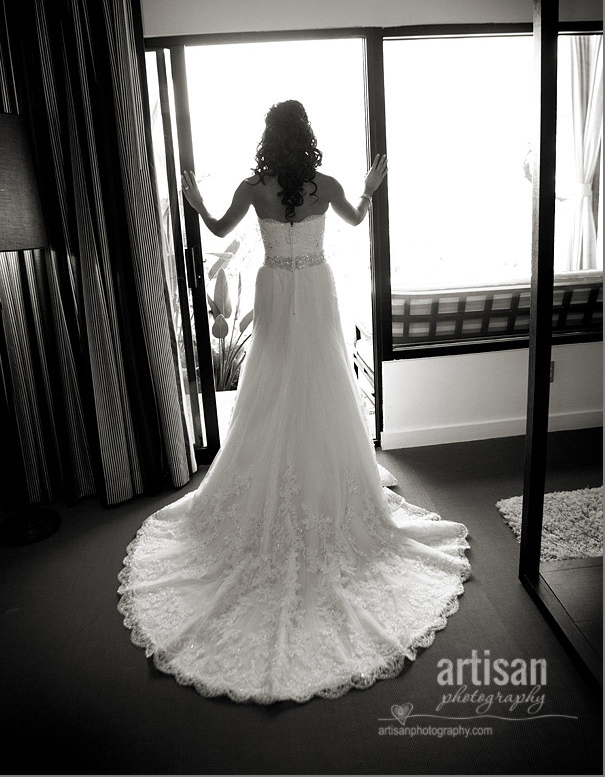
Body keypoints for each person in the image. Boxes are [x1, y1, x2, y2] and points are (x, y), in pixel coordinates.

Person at [118, 100, 470, 704]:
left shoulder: (254, 187)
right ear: (306, 137)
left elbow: (220, 229)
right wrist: (368, 190)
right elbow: (357, 219)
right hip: (314, 285)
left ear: (267, 140)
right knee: (323, 379)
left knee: (274, 382)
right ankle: (327, 481)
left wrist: (197, 203)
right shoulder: (324, 185)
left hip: (276, 289)